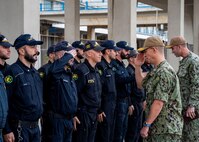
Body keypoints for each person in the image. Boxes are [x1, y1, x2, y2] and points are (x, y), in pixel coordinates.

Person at [134, 36, 183, 142]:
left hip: (166, 129)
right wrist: (137, 66)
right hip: (158, 128)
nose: (144, 55)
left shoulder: (164, 71)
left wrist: (146, 125)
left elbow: (159, 102)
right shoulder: (157, 70)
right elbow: (140, 84)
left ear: (154, 50)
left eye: (145, 51)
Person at [3, 34, 43, 142]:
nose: (36, 50)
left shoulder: (35, 73)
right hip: (20, 129)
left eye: (36, 47)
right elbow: (5, 103)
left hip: (35, 128)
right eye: (32, 47)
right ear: (21, 51)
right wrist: (6, 130)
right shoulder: (12, 72)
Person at [42, 41, 77, 142]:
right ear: (60, 55)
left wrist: (73, 114)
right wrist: (67, 56)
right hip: (56, 121)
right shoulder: (53, 71)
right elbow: (54, 71)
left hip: (68, 120)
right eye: (68, 54)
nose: (72, 57)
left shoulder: (68, 73)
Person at [166, 36, 199, 142]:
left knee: (192, 136)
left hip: (192, 110)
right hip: (183, 107)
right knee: (184, 136)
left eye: (173, 48)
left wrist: (192, 105)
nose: (172, 51)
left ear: (179, 47)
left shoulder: (193, 61)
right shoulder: (185, 61)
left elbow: (196, 84)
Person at [73, 40, 104, 142]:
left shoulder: (96, 70)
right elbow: (74, 94)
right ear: (89, 53)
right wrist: (74, 114)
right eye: (98, 51)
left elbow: (97, 93)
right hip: (84, 114)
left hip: (94, 114)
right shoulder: (81, 71)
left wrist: (99, 110)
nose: (101, 54)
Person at [95, 40, 120, 142]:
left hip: (112, 105)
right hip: (104, 106)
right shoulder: (101, 66)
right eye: (115, 51)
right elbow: (98, 89)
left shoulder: (109, 66)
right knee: (104, 135)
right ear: (108, 51)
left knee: (110, 134)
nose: (117, 53)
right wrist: (99, 109)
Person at [112, 41, 134, 142]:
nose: (128, 52)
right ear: (119, 50)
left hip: (125, 101)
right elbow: (120, 81)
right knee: (118, 131)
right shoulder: (114, 65)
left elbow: (127, 86)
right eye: (126, 50)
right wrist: (135, 75)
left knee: (124, 129)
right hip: (119, 101)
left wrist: (129, 103)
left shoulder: (122, 65)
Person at [125, 50, 145, 142]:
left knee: (138, 128)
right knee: (133, 130)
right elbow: (128, 89)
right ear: (131, 59)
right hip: (134, 102)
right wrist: (130, 103)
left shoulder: (137, 70)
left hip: (140, 102)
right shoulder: (129, 71)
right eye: (136, 56)